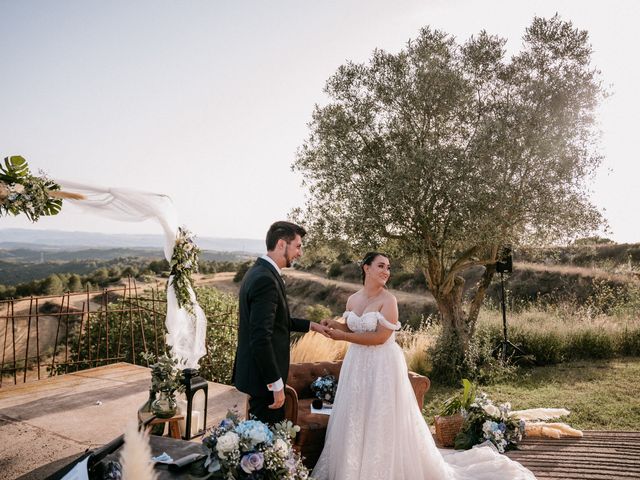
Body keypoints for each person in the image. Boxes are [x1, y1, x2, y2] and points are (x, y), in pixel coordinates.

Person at [312, 252, 536, 480]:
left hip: (382, 366)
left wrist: (343, 337)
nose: (386, 271)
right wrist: (336, 325)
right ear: (365, 268)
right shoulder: (353, 299)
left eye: (388, 267)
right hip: (357, 365)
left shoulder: (388, 300)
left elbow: (380, 337)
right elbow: (354, 327)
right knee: (356, 414)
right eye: (380, 266)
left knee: (380, 417)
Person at [232, 220, 329, 424]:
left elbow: (278, 321)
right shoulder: (266, 280)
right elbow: (261, 337)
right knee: (264, 446)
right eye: (298, 246)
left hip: (256, 378)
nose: (300, 253)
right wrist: (275, 384)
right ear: (282, 244)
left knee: (259, 444)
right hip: (263, 382)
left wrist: (312, 326)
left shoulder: (258, 272)